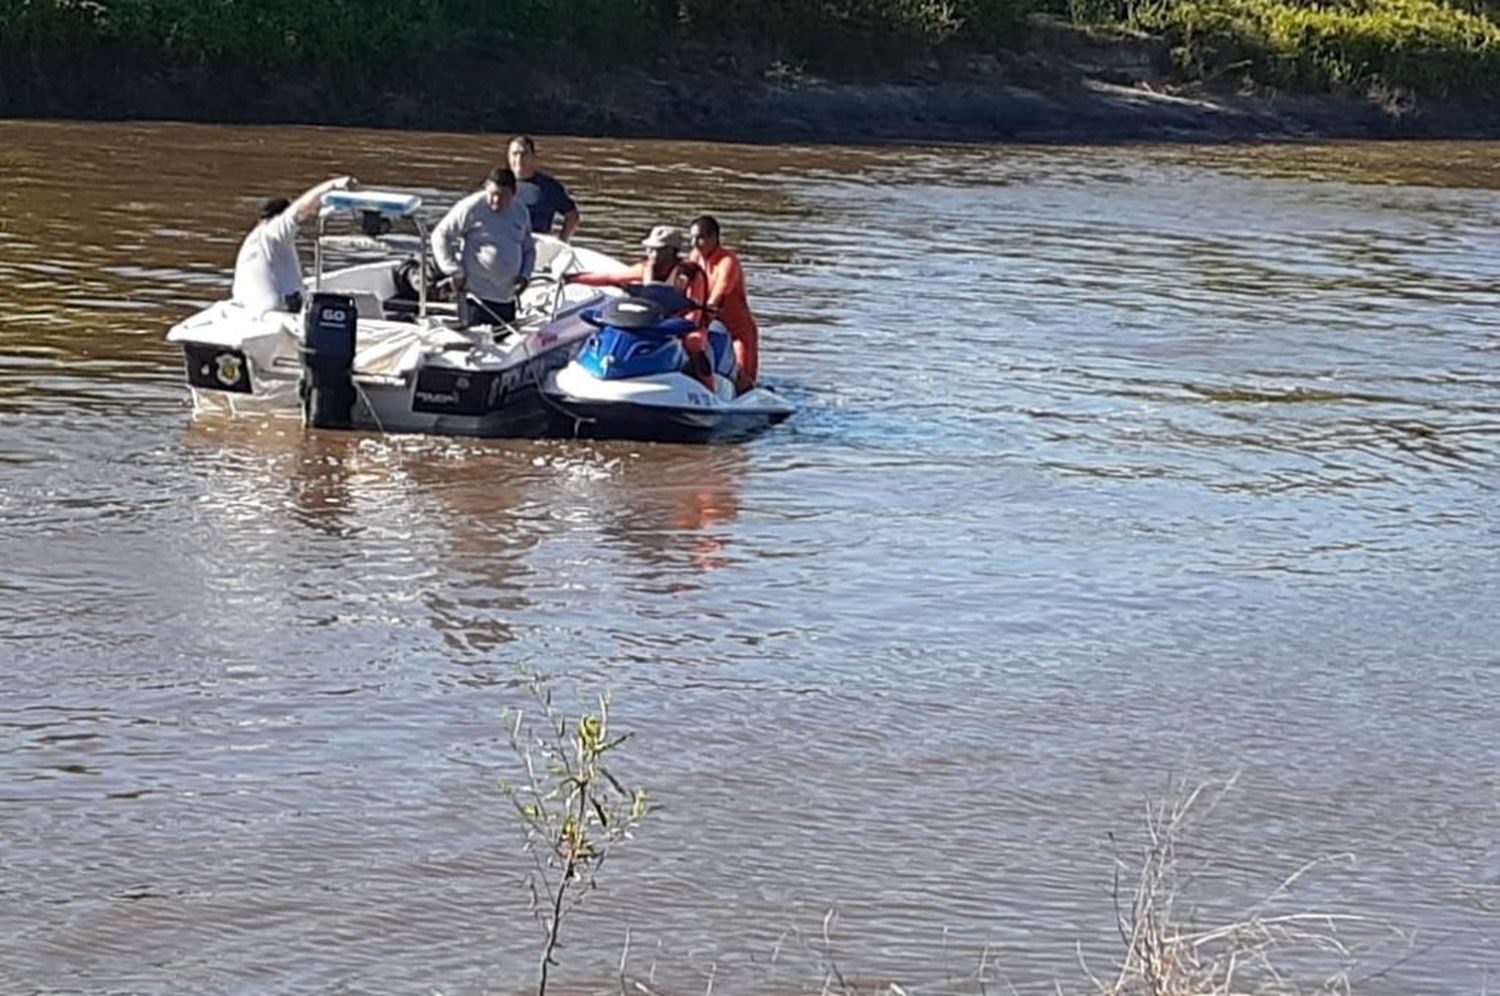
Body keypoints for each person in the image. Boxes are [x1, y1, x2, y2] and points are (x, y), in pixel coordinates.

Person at [567, 225, 717, 390]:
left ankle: (710, 388)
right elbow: (610, 278)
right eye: (649, 249)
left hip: (679, 324)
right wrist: (573, 279)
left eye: (657, 250)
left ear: (672, 251)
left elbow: (695, 312)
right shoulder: (644, 269)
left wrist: (681, 326)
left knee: (693, 342)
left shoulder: (690, 274)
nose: (651, 254)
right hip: (648, 322)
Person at [231, 175, 356, 316]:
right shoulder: (273, 232)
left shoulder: (254, 242)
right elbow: (300, 210)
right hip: (279, 316)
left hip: (250, 313)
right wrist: (333, 185)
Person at [430, 166, 536, 327]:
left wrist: (525, 276)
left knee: (505, 342)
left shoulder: (520, 212)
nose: (496, 201)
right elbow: (440, 235)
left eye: (502, 196)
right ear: (486, 188)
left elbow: (528, 249)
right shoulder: (471, 208)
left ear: (513, 194)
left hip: (506, 297)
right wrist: (454, 270)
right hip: (476, 297)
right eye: (492, 194)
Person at [688, 215, 759, 393]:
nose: (695, 243)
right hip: (712, 327)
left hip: (737, 333)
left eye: (700, 238)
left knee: (744, 384)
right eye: (692, 238)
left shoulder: (728, 262)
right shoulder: (695, 257)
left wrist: (706, 311)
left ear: (714, 238)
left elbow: (718, 294)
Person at [508, 135, 580, 241]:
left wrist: (562, 241)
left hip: (539, 245)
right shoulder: (499, 184)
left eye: (524, 154)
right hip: (506, 244)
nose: (519, 159)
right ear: (508, 156)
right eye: (515, 154)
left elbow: (572, 215)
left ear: (533, 156)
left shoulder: (549, 187)